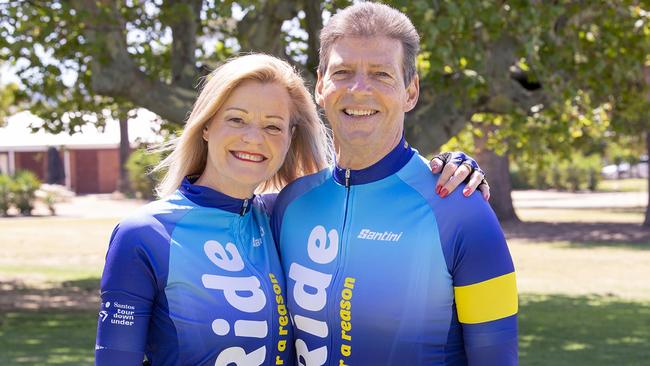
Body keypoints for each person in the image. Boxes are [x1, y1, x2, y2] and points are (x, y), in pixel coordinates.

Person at [94, 53, 484, 365]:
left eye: (273, 126)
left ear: (289, 140)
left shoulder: (284, 216)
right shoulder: (144, 234)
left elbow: (376, 190)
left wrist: (453, 167)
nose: (253, 138)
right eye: (237, 119)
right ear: (206, 125)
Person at [272, 3, 518, 366]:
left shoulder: (463, 210)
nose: (359, 89)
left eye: (380, 74)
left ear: (411, 92)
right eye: (343, 72)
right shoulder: (290, 205)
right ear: (321, 84)